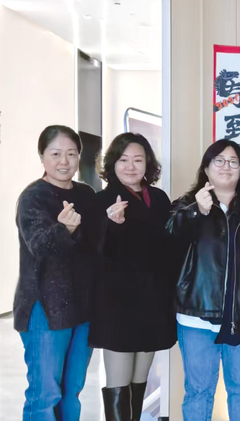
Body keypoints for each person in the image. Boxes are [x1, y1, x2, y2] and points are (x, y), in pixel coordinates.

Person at [166, 139, 240, 421]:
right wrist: (197, 211)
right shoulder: (185, 206)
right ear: (206, 168)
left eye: (233, 162)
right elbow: (169, 240)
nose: (226, 167)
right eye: (219, 160)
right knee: (198, 390)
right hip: (196, 315)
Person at [88, 133, 178, 421]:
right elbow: (94, 252)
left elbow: (171, 246)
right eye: (123, 159)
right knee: (119, 381)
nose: (130, 166)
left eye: (138, 160)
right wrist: (112, 226)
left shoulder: (160, 198)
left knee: (140, 379)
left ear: (147, 164)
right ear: (112, 164)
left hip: (153, 301)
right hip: (118, 305)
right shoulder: (102, 200)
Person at [13, 125, 98, 421]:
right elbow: (38, 245)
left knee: (72, 390)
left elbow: (98, 246)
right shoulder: (32, 197)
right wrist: (64, 229)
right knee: (45, 393)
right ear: (42, 156)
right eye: (56, 154)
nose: (64, 161)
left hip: (82, 306)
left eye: (71, 154)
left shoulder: (87, 194)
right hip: (44, 307)